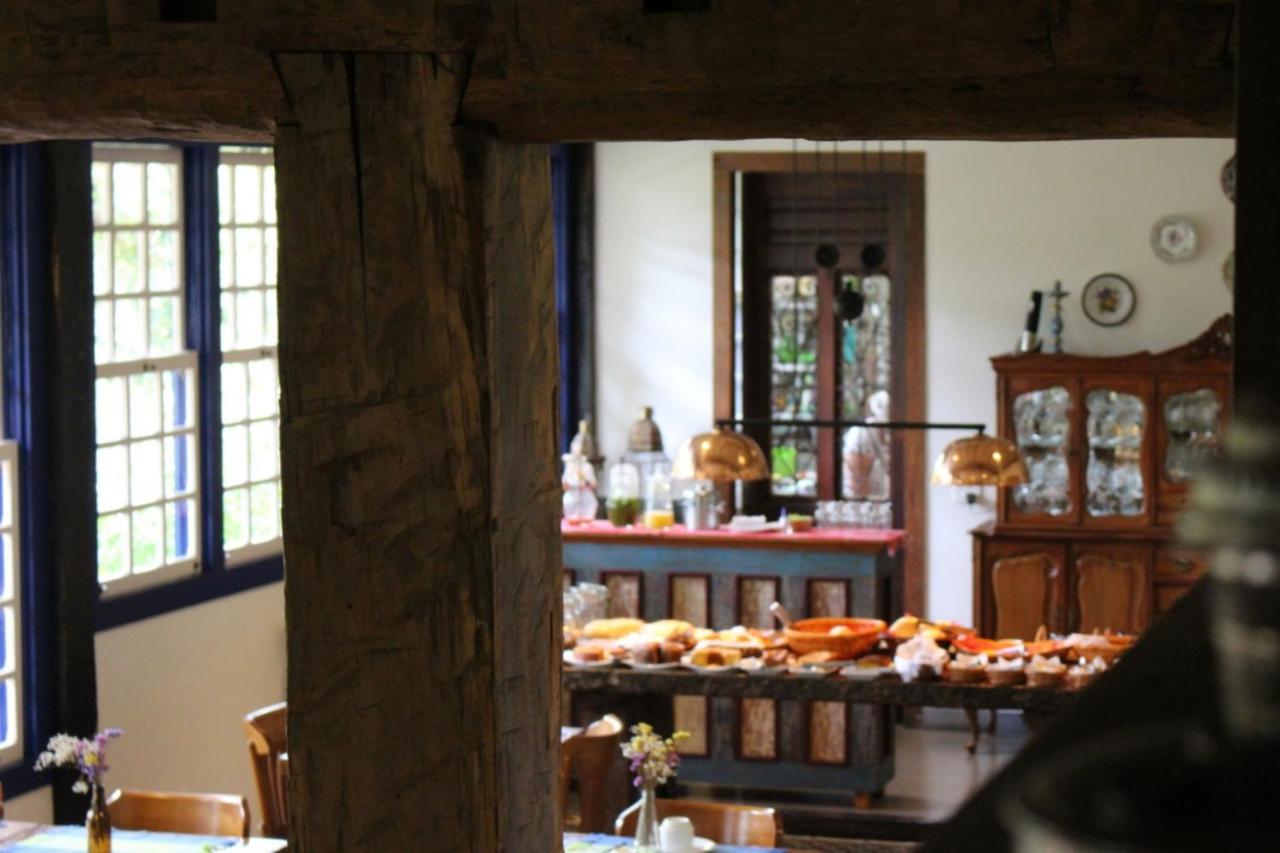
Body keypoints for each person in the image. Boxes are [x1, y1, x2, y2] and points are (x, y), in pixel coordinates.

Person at [842, 390, 891, 500]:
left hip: (884, 500)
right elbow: (858, 483)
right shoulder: (861, 433)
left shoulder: (888, 433)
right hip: (866, 503)